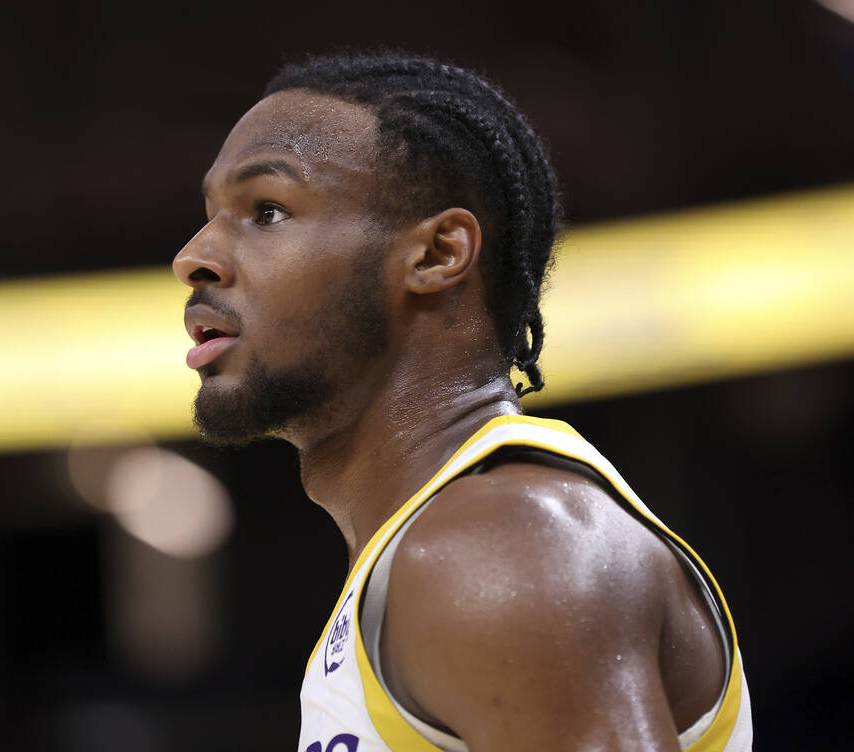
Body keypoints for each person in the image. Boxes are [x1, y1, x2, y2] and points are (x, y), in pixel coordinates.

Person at [172, 52, 752, 752]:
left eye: (266, 211)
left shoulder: (497, 547)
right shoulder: (443, 547)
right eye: (210, 216)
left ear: (439, 254)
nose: (195, 255)